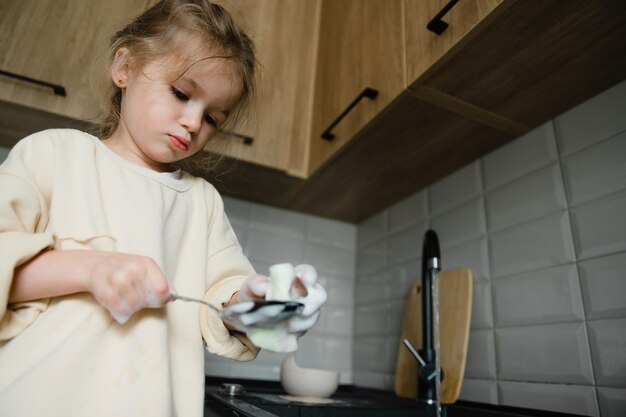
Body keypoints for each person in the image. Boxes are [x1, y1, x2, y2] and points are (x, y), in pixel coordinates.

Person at [0, 1, 325, 416]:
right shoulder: (51, 155)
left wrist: (253, 307)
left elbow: (221, 299)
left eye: (212, 118)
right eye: (181, 93)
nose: (193, 122)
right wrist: (89, 268)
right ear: (126, 67)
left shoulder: (202, 202)